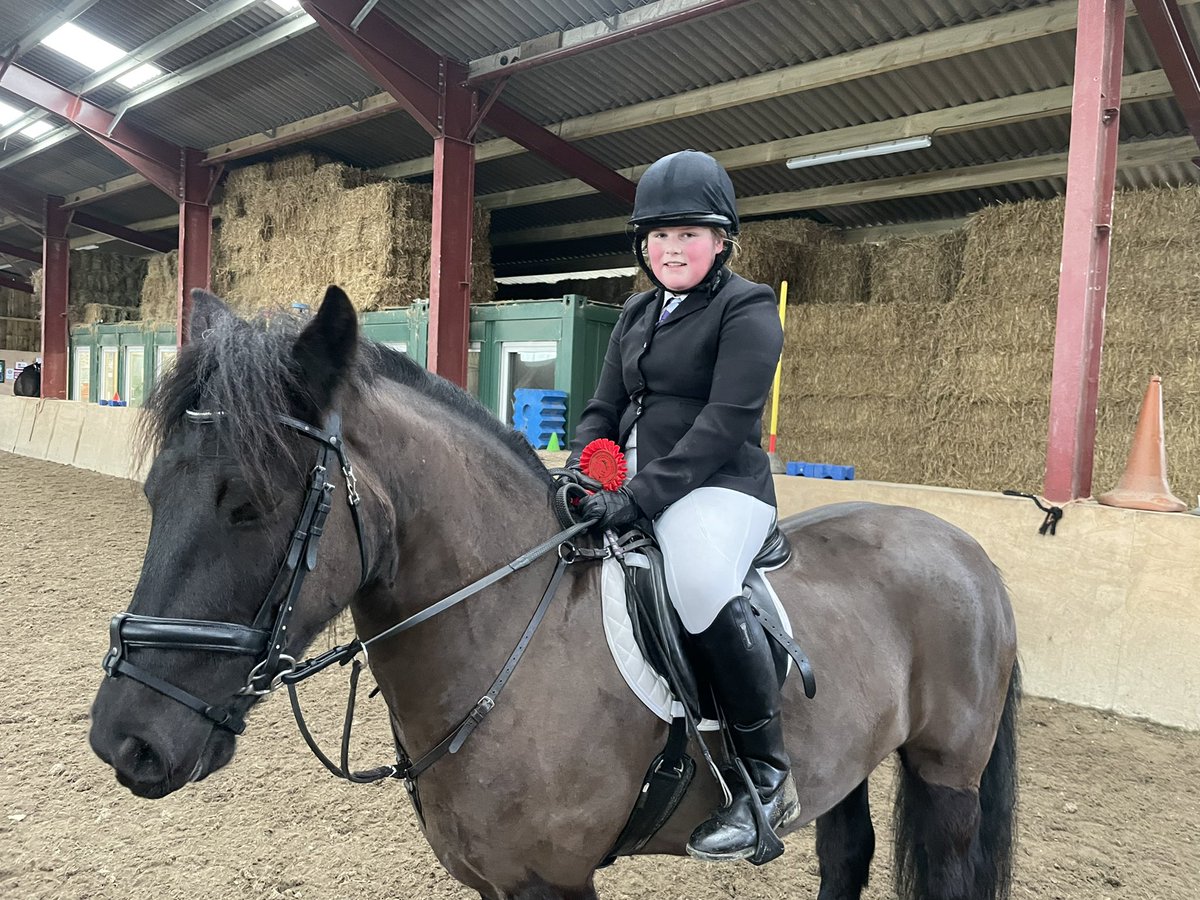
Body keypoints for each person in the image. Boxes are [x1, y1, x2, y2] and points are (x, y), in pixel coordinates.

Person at [565, 150, 795, 862]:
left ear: (721, 239)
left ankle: (766, 775)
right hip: (632, 486)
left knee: (697, 578)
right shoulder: (636, 311)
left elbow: (723, 423)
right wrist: (583, 467)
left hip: (717, 488)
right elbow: (602, 406)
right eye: (659, 235)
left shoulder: (747, 308)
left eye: (688, 233)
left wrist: (637, 496)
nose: (671, 247)